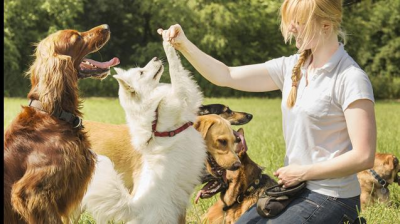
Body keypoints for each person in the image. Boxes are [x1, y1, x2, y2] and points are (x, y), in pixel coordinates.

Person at [158, 0, 376, 223]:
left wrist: (303, 172)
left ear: (326, 26)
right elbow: (226, 75)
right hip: (293, 190)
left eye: (298, 22)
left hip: (333, 197)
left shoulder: (350, 78)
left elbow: (364, 156)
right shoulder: (292, 67)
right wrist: (183, 44)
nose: (291, 28)